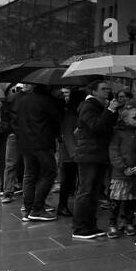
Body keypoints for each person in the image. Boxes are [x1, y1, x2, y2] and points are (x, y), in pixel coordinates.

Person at [73, 80, 123, 241]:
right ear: (93, 91)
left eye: (108, 89)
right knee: (86, 191)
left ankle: (90, 225)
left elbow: (108, 124)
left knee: (93, 192)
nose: (107, 91)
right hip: (89, 154)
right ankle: (80, 227)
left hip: (99, 153)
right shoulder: (88, 106)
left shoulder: (101, 105)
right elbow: (97, 127)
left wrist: (112, 110)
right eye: (103, 89)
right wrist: (110, 110)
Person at [15, 83, 63, 221]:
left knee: (30, 175)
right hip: (42, 142)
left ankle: (28, 208)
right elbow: (56, 119)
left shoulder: (24, 99)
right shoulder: (46, 101)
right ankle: (37, 208)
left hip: (25, 142)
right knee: (49, 172)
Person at [108, 105, 136, 237]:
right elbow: (114, 152)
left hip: (135, 172)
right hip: (120, 173)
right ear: (125, 119)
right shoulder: (118, 133)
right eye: (134, 117)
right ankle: (112, 223)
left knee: (132, 199)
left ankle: (128, 221)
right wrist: (124, 167)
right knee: (116, 199)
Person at [57, 88, 87, 218]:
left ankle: (64, 205)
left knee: (69, 180)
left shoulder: (73, 113)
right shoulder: (70, 115)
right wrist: (74, 154)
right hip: (71, 154)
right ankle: (62, 206)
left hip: (73, 152)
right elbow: (68, 135)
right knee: (67, 181)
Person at [1, 85, 26, 204]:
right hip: (24, 134)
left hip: (14, 133)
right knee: (16, 164)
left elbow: (4, 116)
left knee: (11, 164)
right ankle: (9, 191)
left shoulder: (11, 98)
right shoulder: (14, 98)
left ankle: (8, 191)